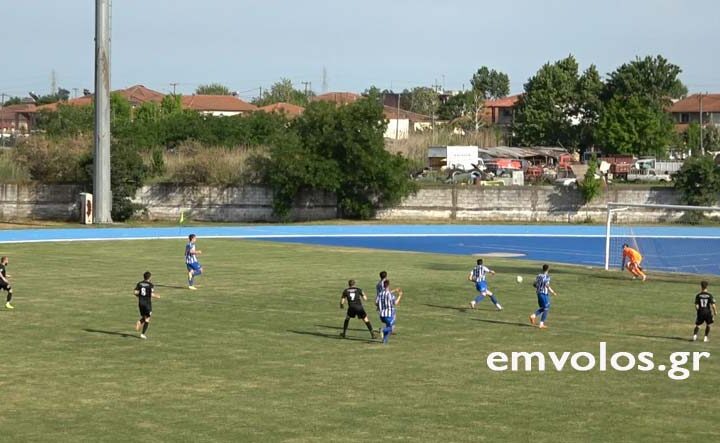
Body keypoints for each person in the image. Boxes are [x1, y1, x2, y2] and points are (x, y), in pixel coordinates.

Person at [375, 279, 403, 344]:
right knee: (391, 328)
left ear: (384, 286)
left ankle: (384, 341)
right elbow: (395, 303)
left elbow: (376, 303)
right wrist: (400, 296)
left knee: (388, 326)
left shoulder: (380, 294)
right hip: (389, 315)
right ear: (388, 285)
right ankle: (382, 330)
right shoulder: (390, 295)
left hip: (382, 315)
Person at [529, 264, 557, 329]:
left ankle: (533, 316)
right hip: (543, 294)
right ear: (548, 269)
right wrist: (552, 292)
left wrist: (539, 287)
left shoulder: (538, 275)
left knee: (544, 307)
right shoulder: (547, 277)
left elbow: (534, 284)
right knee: (546, 308)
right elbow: (547, 285)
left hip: (539, 293)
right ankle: (541, 324)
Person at [134, 271, 160, 339]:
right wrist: (157, 296)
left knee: (145, 316)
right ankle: (142, 334)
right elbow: (151, 294)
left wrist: (139, 296)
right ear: (150, 277)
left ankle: (139, 322)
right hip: (147, 303)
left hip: (140, 303)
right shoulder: (150, 285)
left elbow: (135, 292)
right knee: (148, 318)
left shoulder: (139, 283)